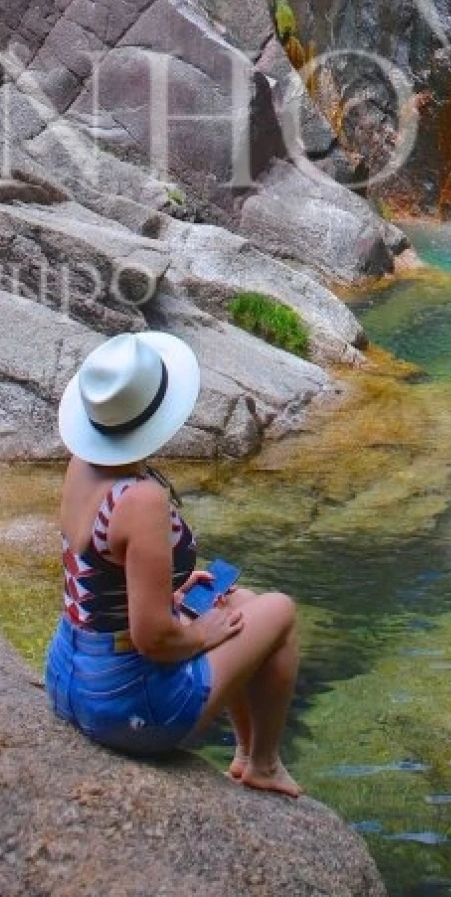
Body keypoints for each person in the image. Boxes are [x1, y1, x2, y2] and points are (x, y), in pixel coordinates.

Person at [45, 330, 302, 797]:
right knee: (279, 609)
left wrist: (174, 596)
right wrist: (202, 632)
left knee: (238, 599)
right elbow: (153, 638)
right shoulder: (142, 499)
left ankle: (245, 755)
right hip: (125, 705)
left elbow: (101, 575)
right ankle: (262, 763)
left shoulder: (81, 464)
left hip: (67, 675)